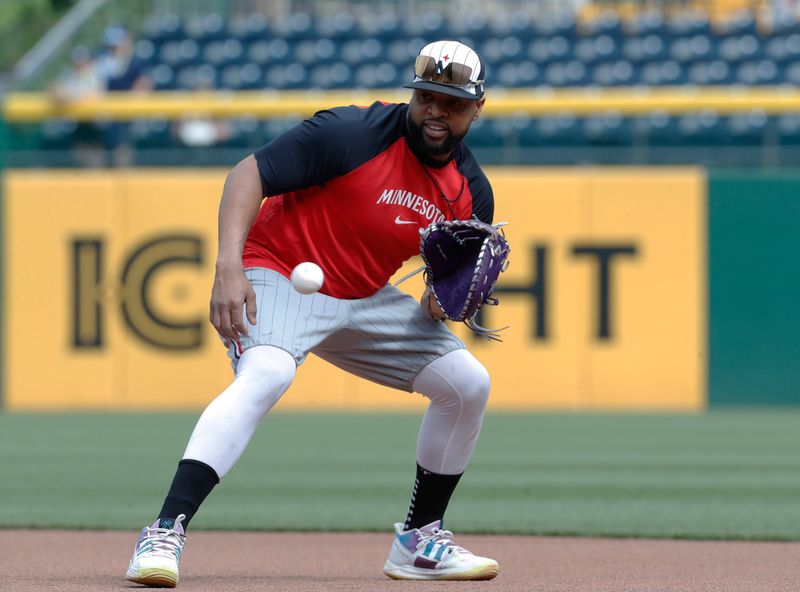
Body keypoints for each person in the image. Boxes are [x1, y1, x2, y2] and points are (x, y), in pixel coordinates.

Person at [126, 39, 500, 587]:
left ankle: (419, 541)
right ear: (412, 95)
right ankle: (164, 531)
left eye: (452, 102)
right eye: (426, 97)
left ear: (477, 107)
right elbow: (247, 174)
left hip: (363, 296)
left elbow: (439, 299)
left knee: (468, 382)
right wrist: (228, 266)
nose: (436, 112)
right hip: (277, 270)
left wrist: (443, 301)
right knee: (269, 372)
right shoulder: (353, 133)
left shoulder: (471, 194)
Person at [96, 25, 153, 167]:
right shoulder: (102, 60)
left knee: (123, 144)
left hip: (129, 114)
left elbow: (144, 84)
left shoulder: (136, 61)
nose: (113, 50)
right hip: (107, 113)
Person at [50, 46, 106, 168]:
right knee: (79, 159)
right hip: (76, 124)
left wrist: (70, 97)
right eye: (77, 62)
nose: (79, 65)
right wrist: (71, 97)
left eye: (82, 61)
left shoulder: (96, 74)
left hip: (94, 124)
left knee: (95, 161)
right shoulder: (69, 75)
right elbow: (56, 93)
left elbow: (93, 97)